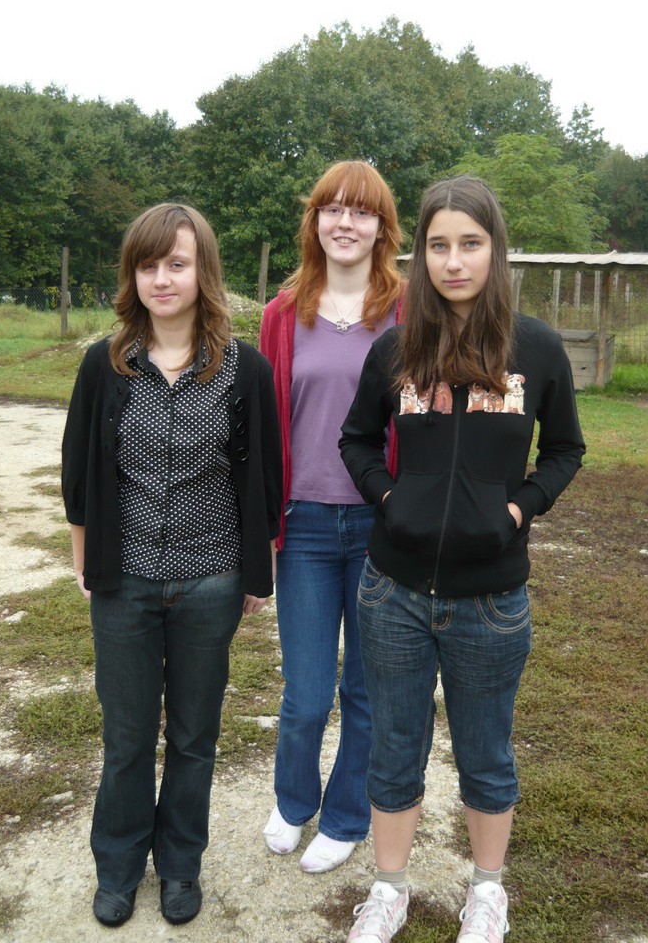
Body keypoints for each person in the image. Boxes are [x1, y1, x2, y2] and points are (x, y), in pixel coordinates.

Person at [339, 176, 585, 942]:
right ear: (420, 254)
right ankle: (388, 889)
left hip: (491, 600)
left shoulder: (537, 349)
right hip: (393, 593)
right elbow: (356, 440)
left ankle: (487, 893)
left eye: (470, 244)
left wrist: (518, 509)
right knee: (394, 749)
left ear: (495, 250)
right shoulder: (396, 348)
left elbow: (566, 449)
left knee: (486, 753)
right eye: (438, 245)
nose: (453, 261)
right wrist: (390, 500)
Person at [62, 203, 281, 928]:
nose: (162, 278)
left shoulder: (244, 369)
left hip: (210, 579)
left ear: (202, 272)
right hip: (123, 580)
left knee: (193, 736)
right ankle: (119, 866)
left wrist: (255, 574)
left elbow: (263, 476)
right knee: (127, 738)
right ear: (133, 276)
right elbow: (77, 469)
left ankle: (181, 863)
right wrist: (85, 561)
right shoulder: (105, 365)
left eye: (177, 264)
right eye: (149, 265)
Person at [259, 160, 404, 873]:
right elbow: (263, 428)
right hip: (306, 527)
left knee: (367, 691)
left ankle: (346, 817)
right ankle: (293, 801)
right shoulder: (283, 314)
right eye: (332, 208)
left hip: (384, 527)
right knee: (308, 691)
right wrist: (261, 525)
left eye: (362, 211)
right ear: (315, 221)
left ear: (382, 227)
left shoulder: (411, 312)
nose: (346, 222)